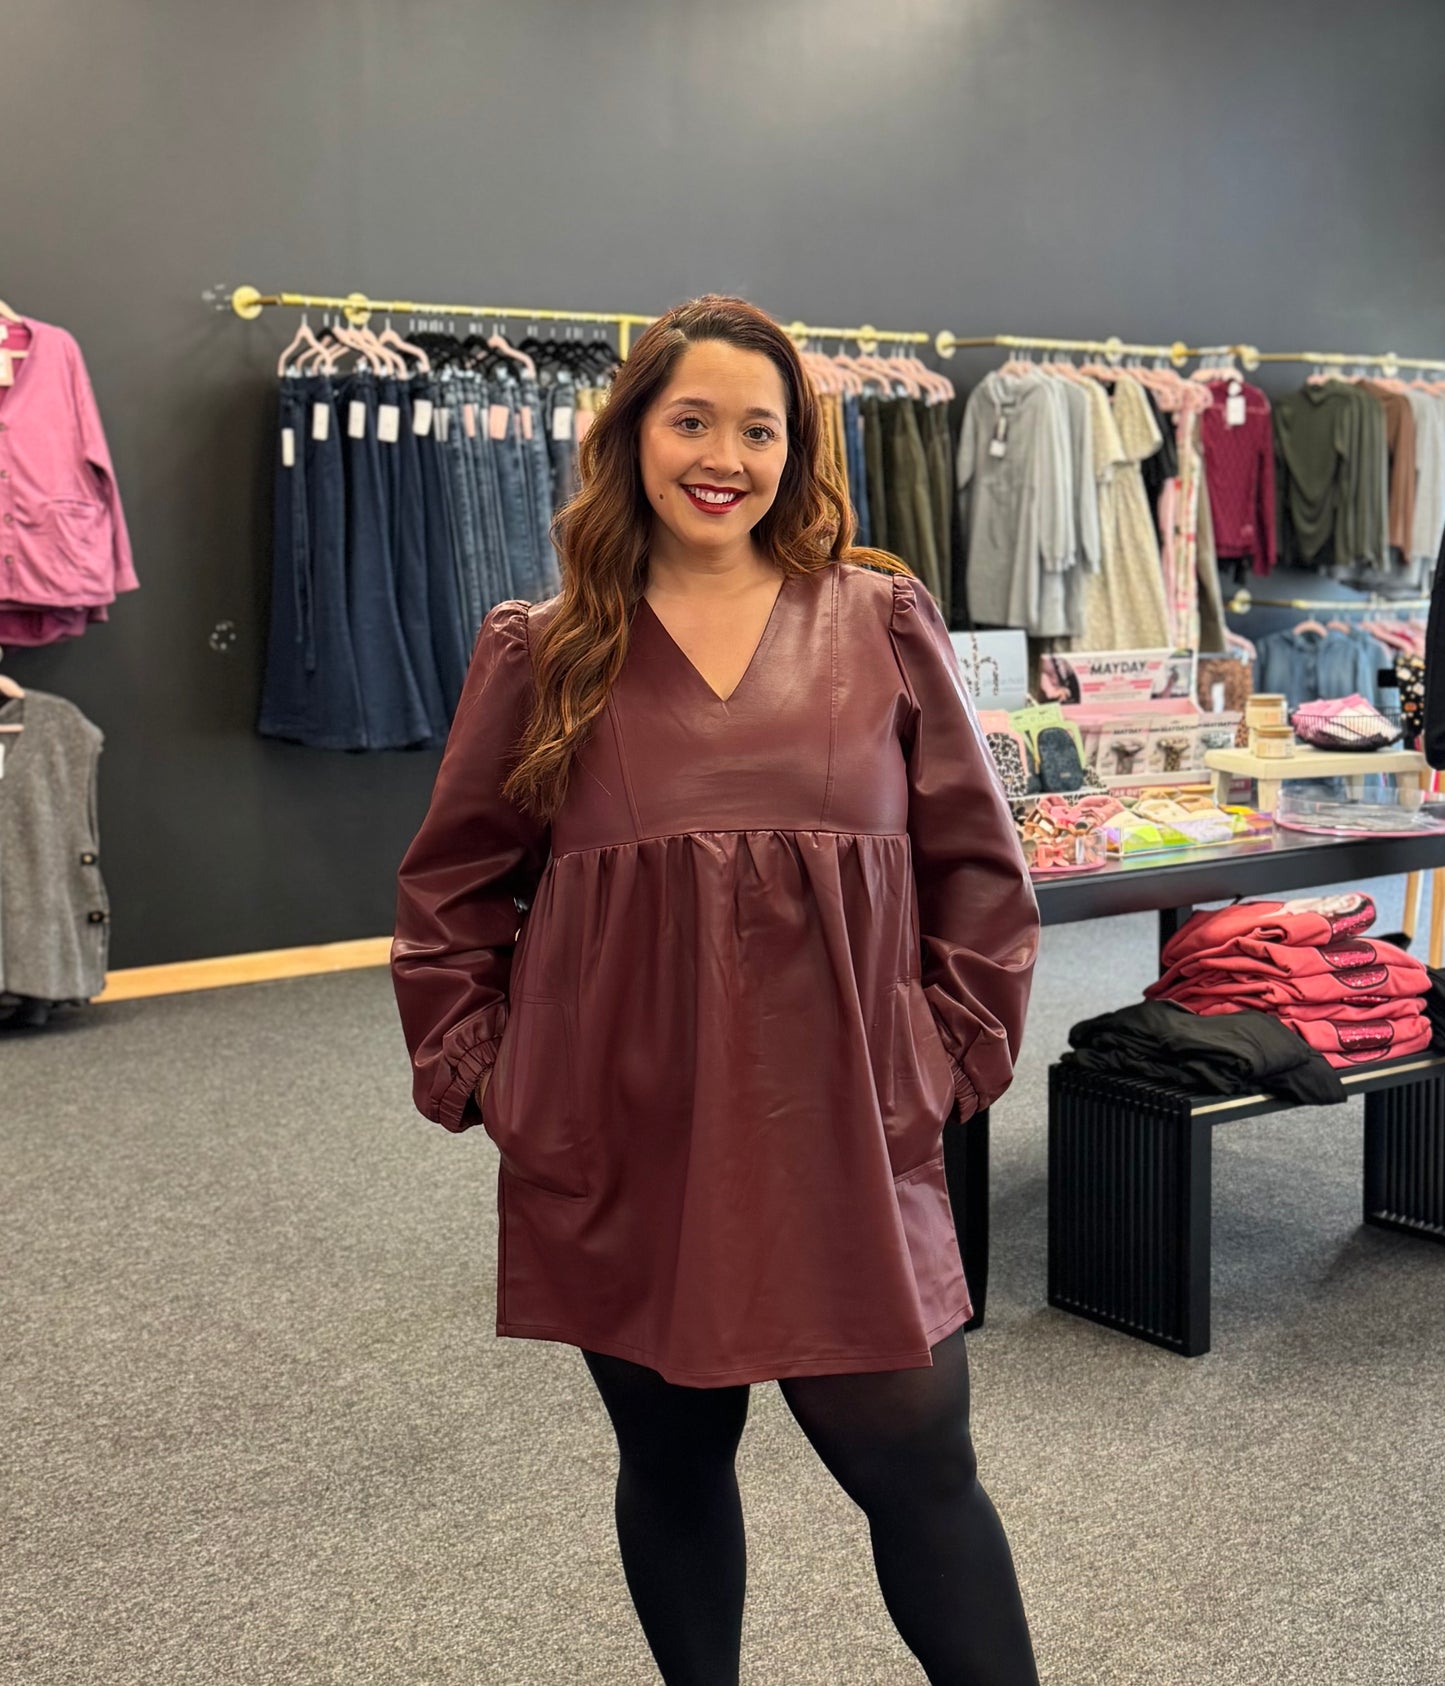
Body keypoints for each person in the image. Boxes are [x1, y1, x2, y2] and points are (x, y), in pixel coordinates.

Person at [391, 295, 1042, 1685]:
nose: (723, 456)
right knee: (674, 1455)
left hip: (848, 1127)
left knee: (919, 1455)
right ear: (631, 433)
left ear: (794, 449)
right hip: (628, 1132)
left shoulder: (876, 618)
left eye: (760, 428)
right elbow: (451, 888)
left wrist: (949, 1057)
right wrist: (494, 1078)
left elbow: (977, 867)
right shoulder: (544, 642)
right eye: (692, 419)